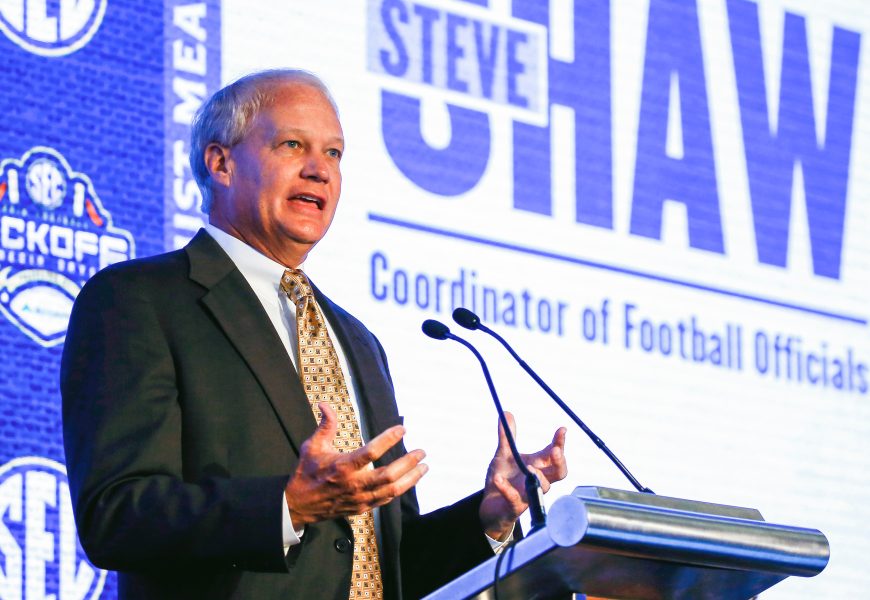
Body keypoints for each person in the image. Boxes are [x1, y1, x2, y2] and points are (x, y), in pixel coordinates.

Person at [61, 69, 568, 600]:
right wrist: (288, 507)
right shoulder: (139, 301)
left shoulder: (357, 341)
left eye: (333, 153)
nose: (319, 170)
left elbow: (381, 562)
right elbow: (115, 515)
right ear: (221, 163)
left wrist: (488, 516)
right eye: (292, 145)